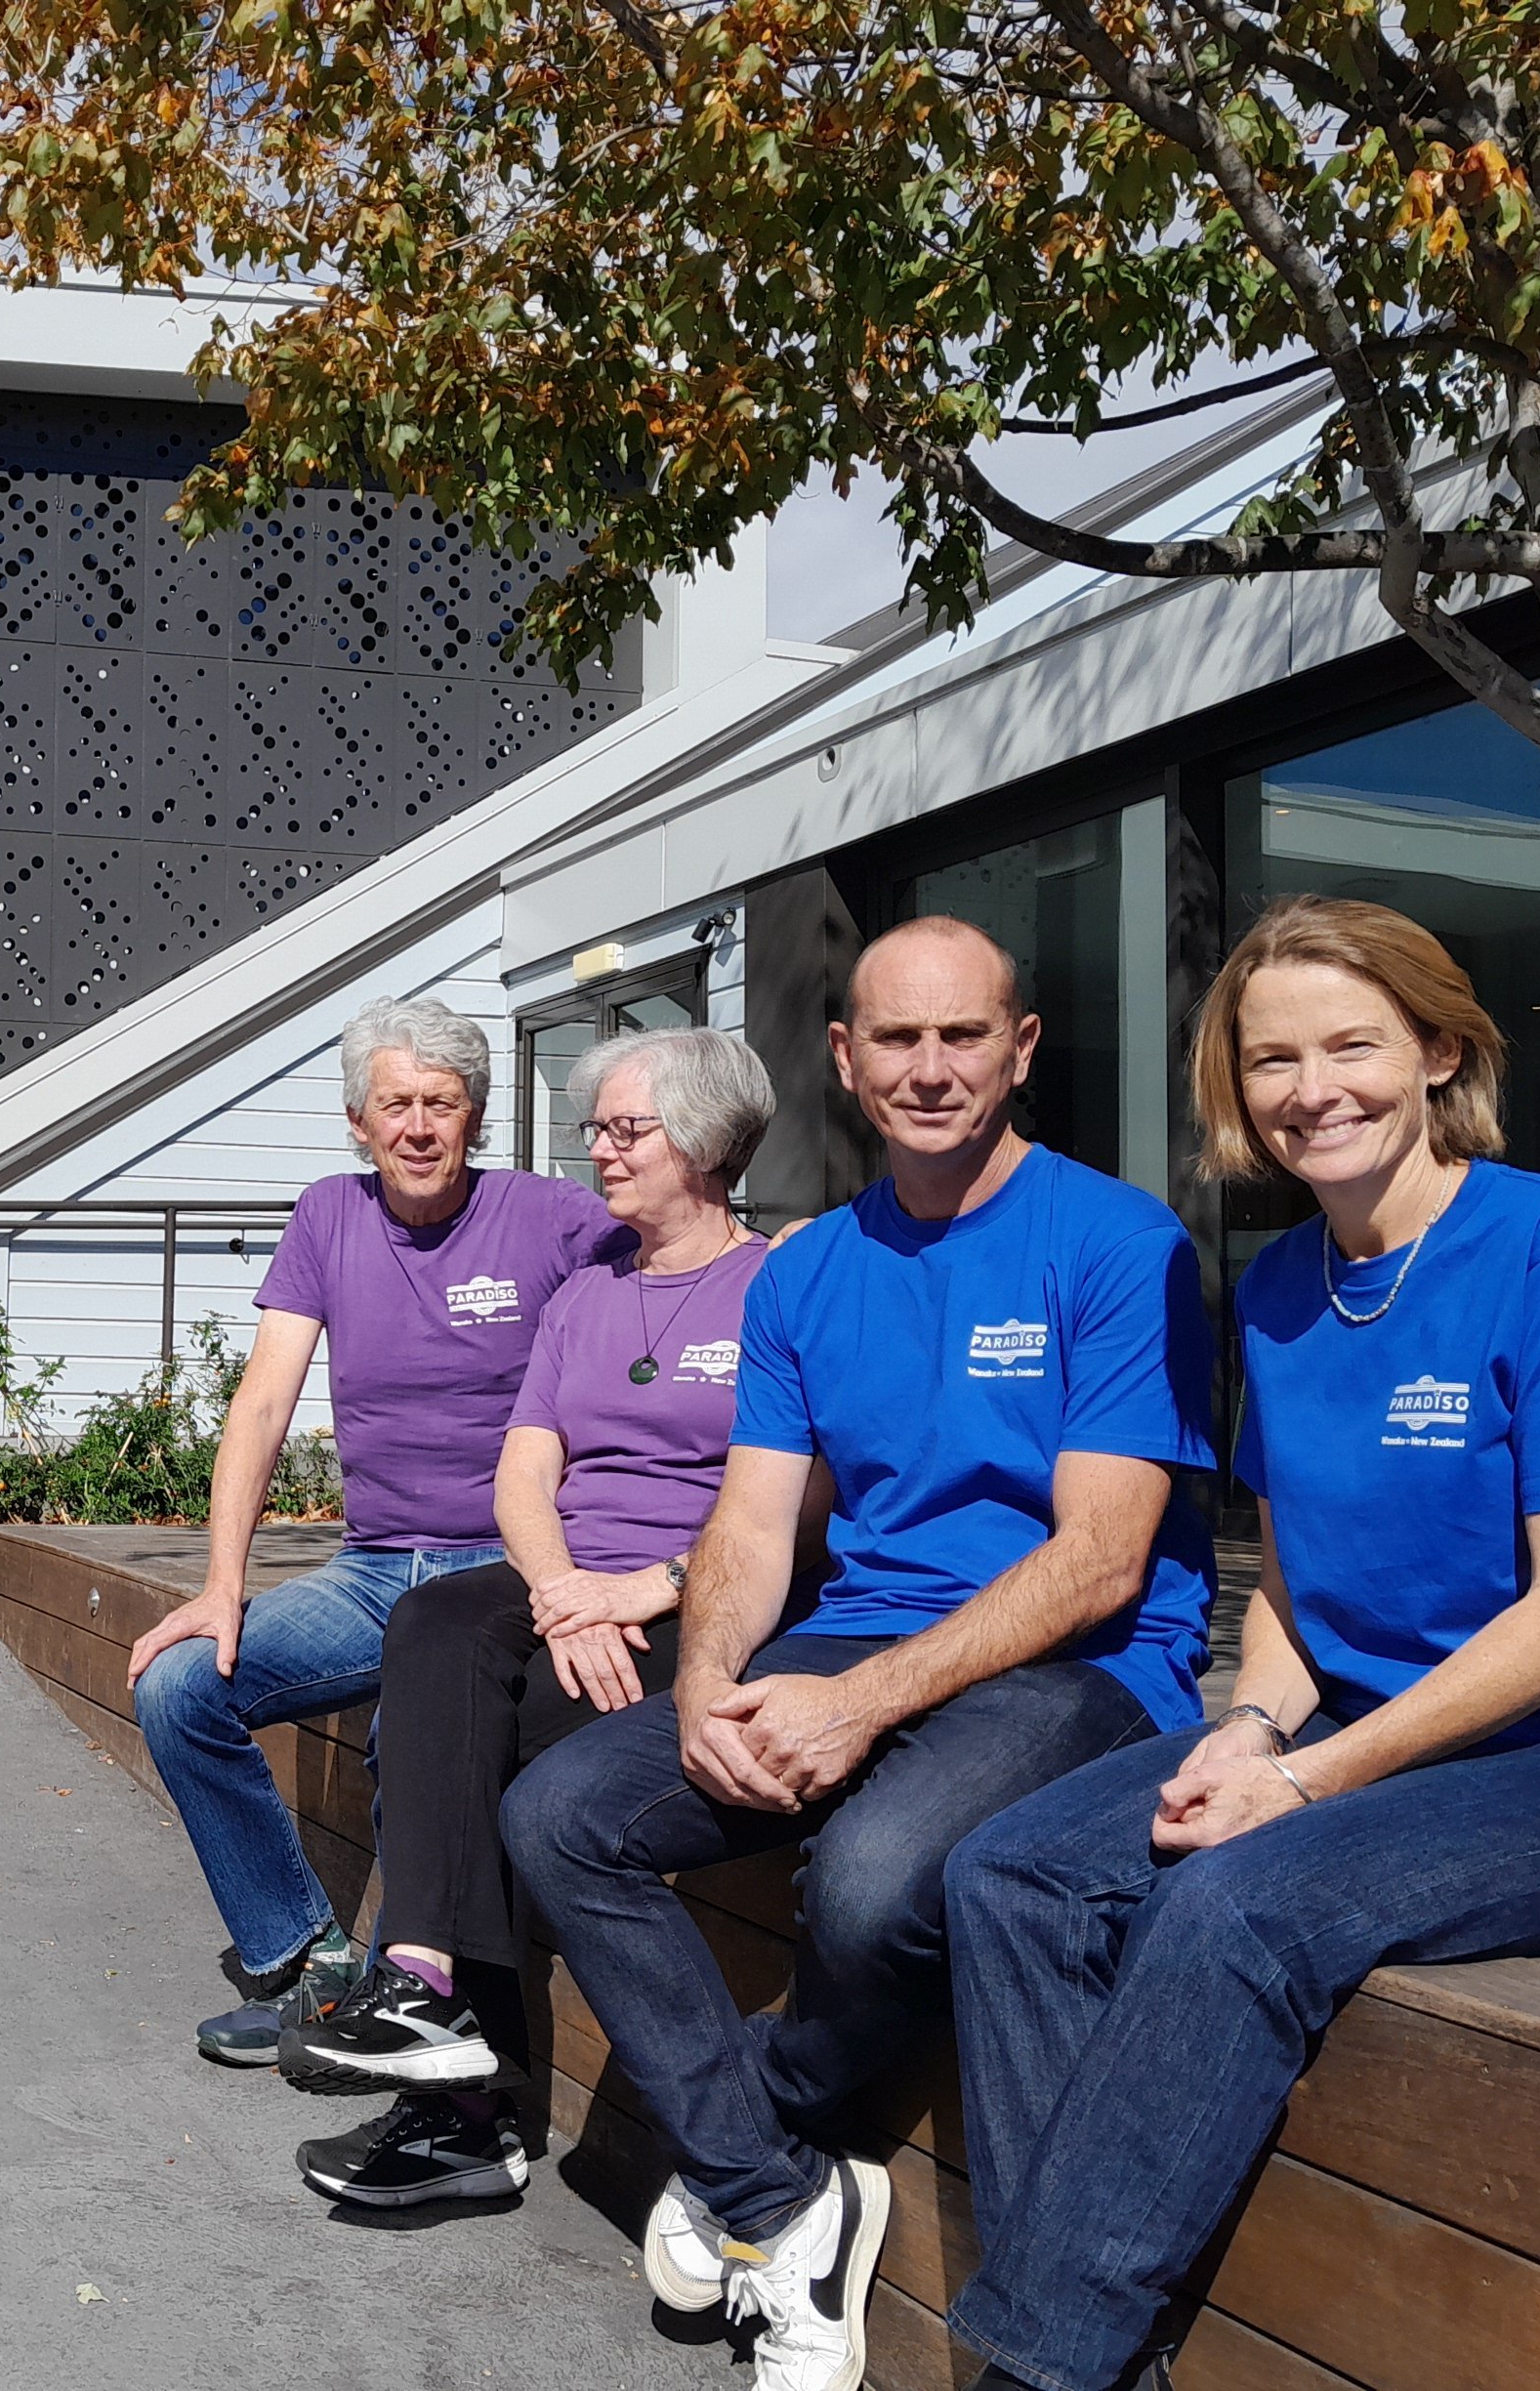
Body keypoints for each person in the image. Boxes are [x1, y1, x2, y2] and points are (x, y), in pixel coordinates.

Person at [939, 897, 1540, 2391]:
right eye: (1273, 1059)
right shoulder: (1283, 1290)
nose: (1314, 1090)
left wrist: (1304, 1785)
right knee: (1012, 1873)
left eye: (1353, 1045)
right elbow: (1292, 1587)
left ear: (1438, 1051)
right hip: (1366, 1736)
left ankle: (1036, 2370)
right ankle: (1093, 2354)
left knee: (1233, 1908)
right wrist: (1253, 1729)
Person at [501, 916, 1218, 2391]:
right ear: (845, 1058)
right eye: (899, 1037)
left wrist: (862, 1699)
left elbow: (1101, 1558)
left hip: (1085, 1662)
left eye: (966, 1036)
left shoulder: (1115, 1242)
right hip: (859, 1634)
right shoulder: (811, 1270)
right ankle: (778, 2192)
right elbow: (753, 1532)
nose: (932, 1068)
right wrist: (704, 1687)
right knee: (561, 1814)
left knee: (885, 1877)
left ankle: (750, 2116)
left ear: (1021, 1048)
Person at [282, 1027, 789, 2210]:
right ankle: (418, 1984)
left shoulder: (778, 1287)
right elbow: (525, 1472)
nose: (596, 1153)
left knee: (513, 1752)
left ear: (705, 1141)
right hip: (570, 1581)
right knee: (436, 1629)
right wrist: (562, 1591)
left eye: (624, 1130)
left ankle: (473, 2117)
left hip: (703, 1593)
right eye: (594, 1130)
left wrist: (644, 1592)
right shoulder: (587, 1294)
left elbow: (792, 1501)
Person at [128, 994, 623, 2068]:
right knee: (179, 1687)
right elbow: (261, 1405)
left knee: (416, 1733)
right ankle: (310, 1967)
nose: (418, 1126)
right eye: (395, 1103)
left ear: (475, 1116)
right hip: (367, 1573)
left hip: (498, 1571)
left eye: (441, 1103)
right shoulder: (328, 1217)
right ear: (359, 1121)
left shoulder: (550, 1217)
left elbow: (690, 1257)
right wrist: (223, 1584)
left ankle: (418, 2008)